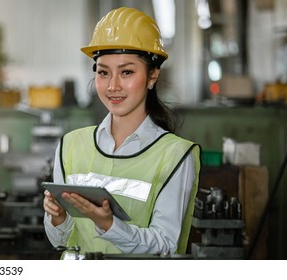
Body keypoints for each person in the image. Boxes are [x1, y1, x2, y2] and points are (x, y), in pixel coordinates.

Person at [42, 7, 200, 258]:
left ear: (152, 76)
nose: (113, 86)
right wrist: (58, 218)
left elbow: (166, 245)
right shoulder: (71, 145)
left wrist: (110, 226)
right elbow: (60, 242)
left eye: (127, 72)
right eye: (103, 72)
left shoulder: (176, 155)